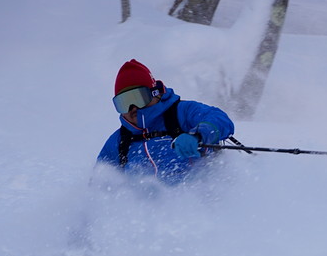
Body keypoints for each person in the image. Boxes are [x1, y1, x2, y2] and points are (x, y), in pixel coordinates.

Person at [97, 59, 235, 184]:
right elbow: (99, 183)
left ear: (154, 94)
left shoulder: (182, 112)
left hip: (204, 201)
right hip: (148, 210)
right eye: (124, 102)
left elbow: (220, 119)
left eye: (138, 98)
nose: (132, 108)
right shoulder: (119, 141)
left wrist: (197, 135)